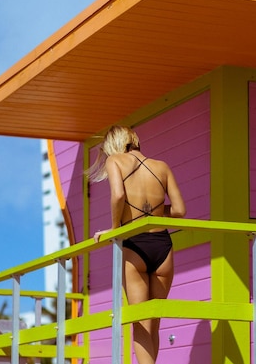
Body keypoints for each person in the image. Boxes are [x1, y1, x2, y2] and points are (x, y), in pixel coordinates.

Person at [89, 125, 186, 364]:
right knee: (153, 323)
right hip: (163, 244)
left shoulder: (115, 161)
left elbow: (119, 195)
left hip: (135, 244)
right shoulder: (162, 166)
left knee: (139, 323)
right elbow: (179, 210)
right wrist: (153, 211)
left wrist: (115, 229)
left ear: (113, 143)